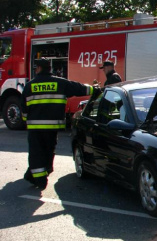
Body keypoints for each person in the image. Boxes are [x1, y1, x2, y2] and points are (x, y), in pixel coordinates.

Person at [22, 58, 100, 189]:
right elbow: (79, 88)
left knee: (36, 153)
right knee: (48, 150)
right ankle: (39, 173)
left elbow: (23, 108)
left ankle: (40, 180)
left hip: (35, 127)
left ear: (39, 69)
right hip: (52, 127)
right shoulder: (60, 83)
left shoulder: (30, 86)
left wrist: (26, 120)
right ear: (49, 69)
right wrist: (95, 89)